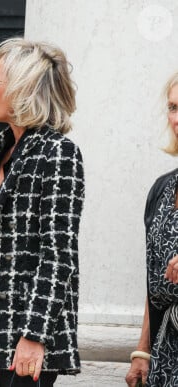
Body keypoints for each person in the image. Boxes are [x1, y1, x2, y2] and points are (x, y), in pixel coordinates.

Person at [0, 37, 85, 387]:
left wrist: (34, 335)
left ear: (24, 86)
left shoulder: (58, 154)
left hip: (23, 344)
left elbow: (58, 255)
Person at [126, 71, 178, 387]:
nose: (176, 118)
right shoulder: (163, 189)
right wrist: (142, 352)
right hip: (165, 355)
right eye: (173, 107)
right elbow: (152, 282)